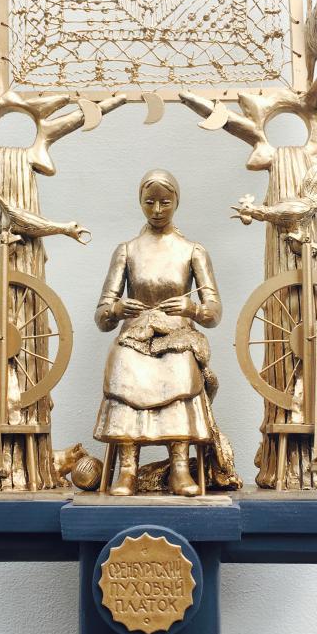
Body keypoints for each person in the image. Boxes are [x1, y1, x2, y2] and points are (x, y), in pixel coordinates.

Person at [93, 169, 241, 496]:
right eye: (150, 202)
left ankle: (179, 468)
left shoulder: (192, 251)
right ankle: (127, 470)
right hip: (135, 337)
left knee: (180, 366)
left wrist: (192, 309)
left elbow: (213, 311)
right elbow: (102, 316)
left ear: (177, 201)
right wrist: (117, 309)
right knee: (123, 362)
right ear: (140, 202)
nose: (158, 210)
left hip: (177, 338)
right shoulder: (127, 250)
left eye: (165, 202)